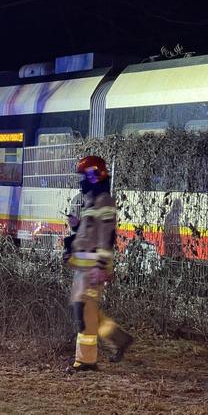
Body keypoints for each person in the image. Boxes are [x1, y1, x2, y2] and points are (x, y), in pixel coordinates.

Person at [66, 155, 133, 373]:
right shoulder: (92, 201)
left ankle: (86, 360)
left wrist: (100, 266)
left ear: (95, 176)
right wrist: (77, 226)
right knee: (86, 310)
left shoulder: (104, 201)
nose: (82, 181)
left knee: (84, 311)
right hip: (84, 268)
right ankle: (119, 338)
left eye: (85, 176)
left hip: (93, 269)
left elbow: (107, 237)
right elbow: (90, 234)